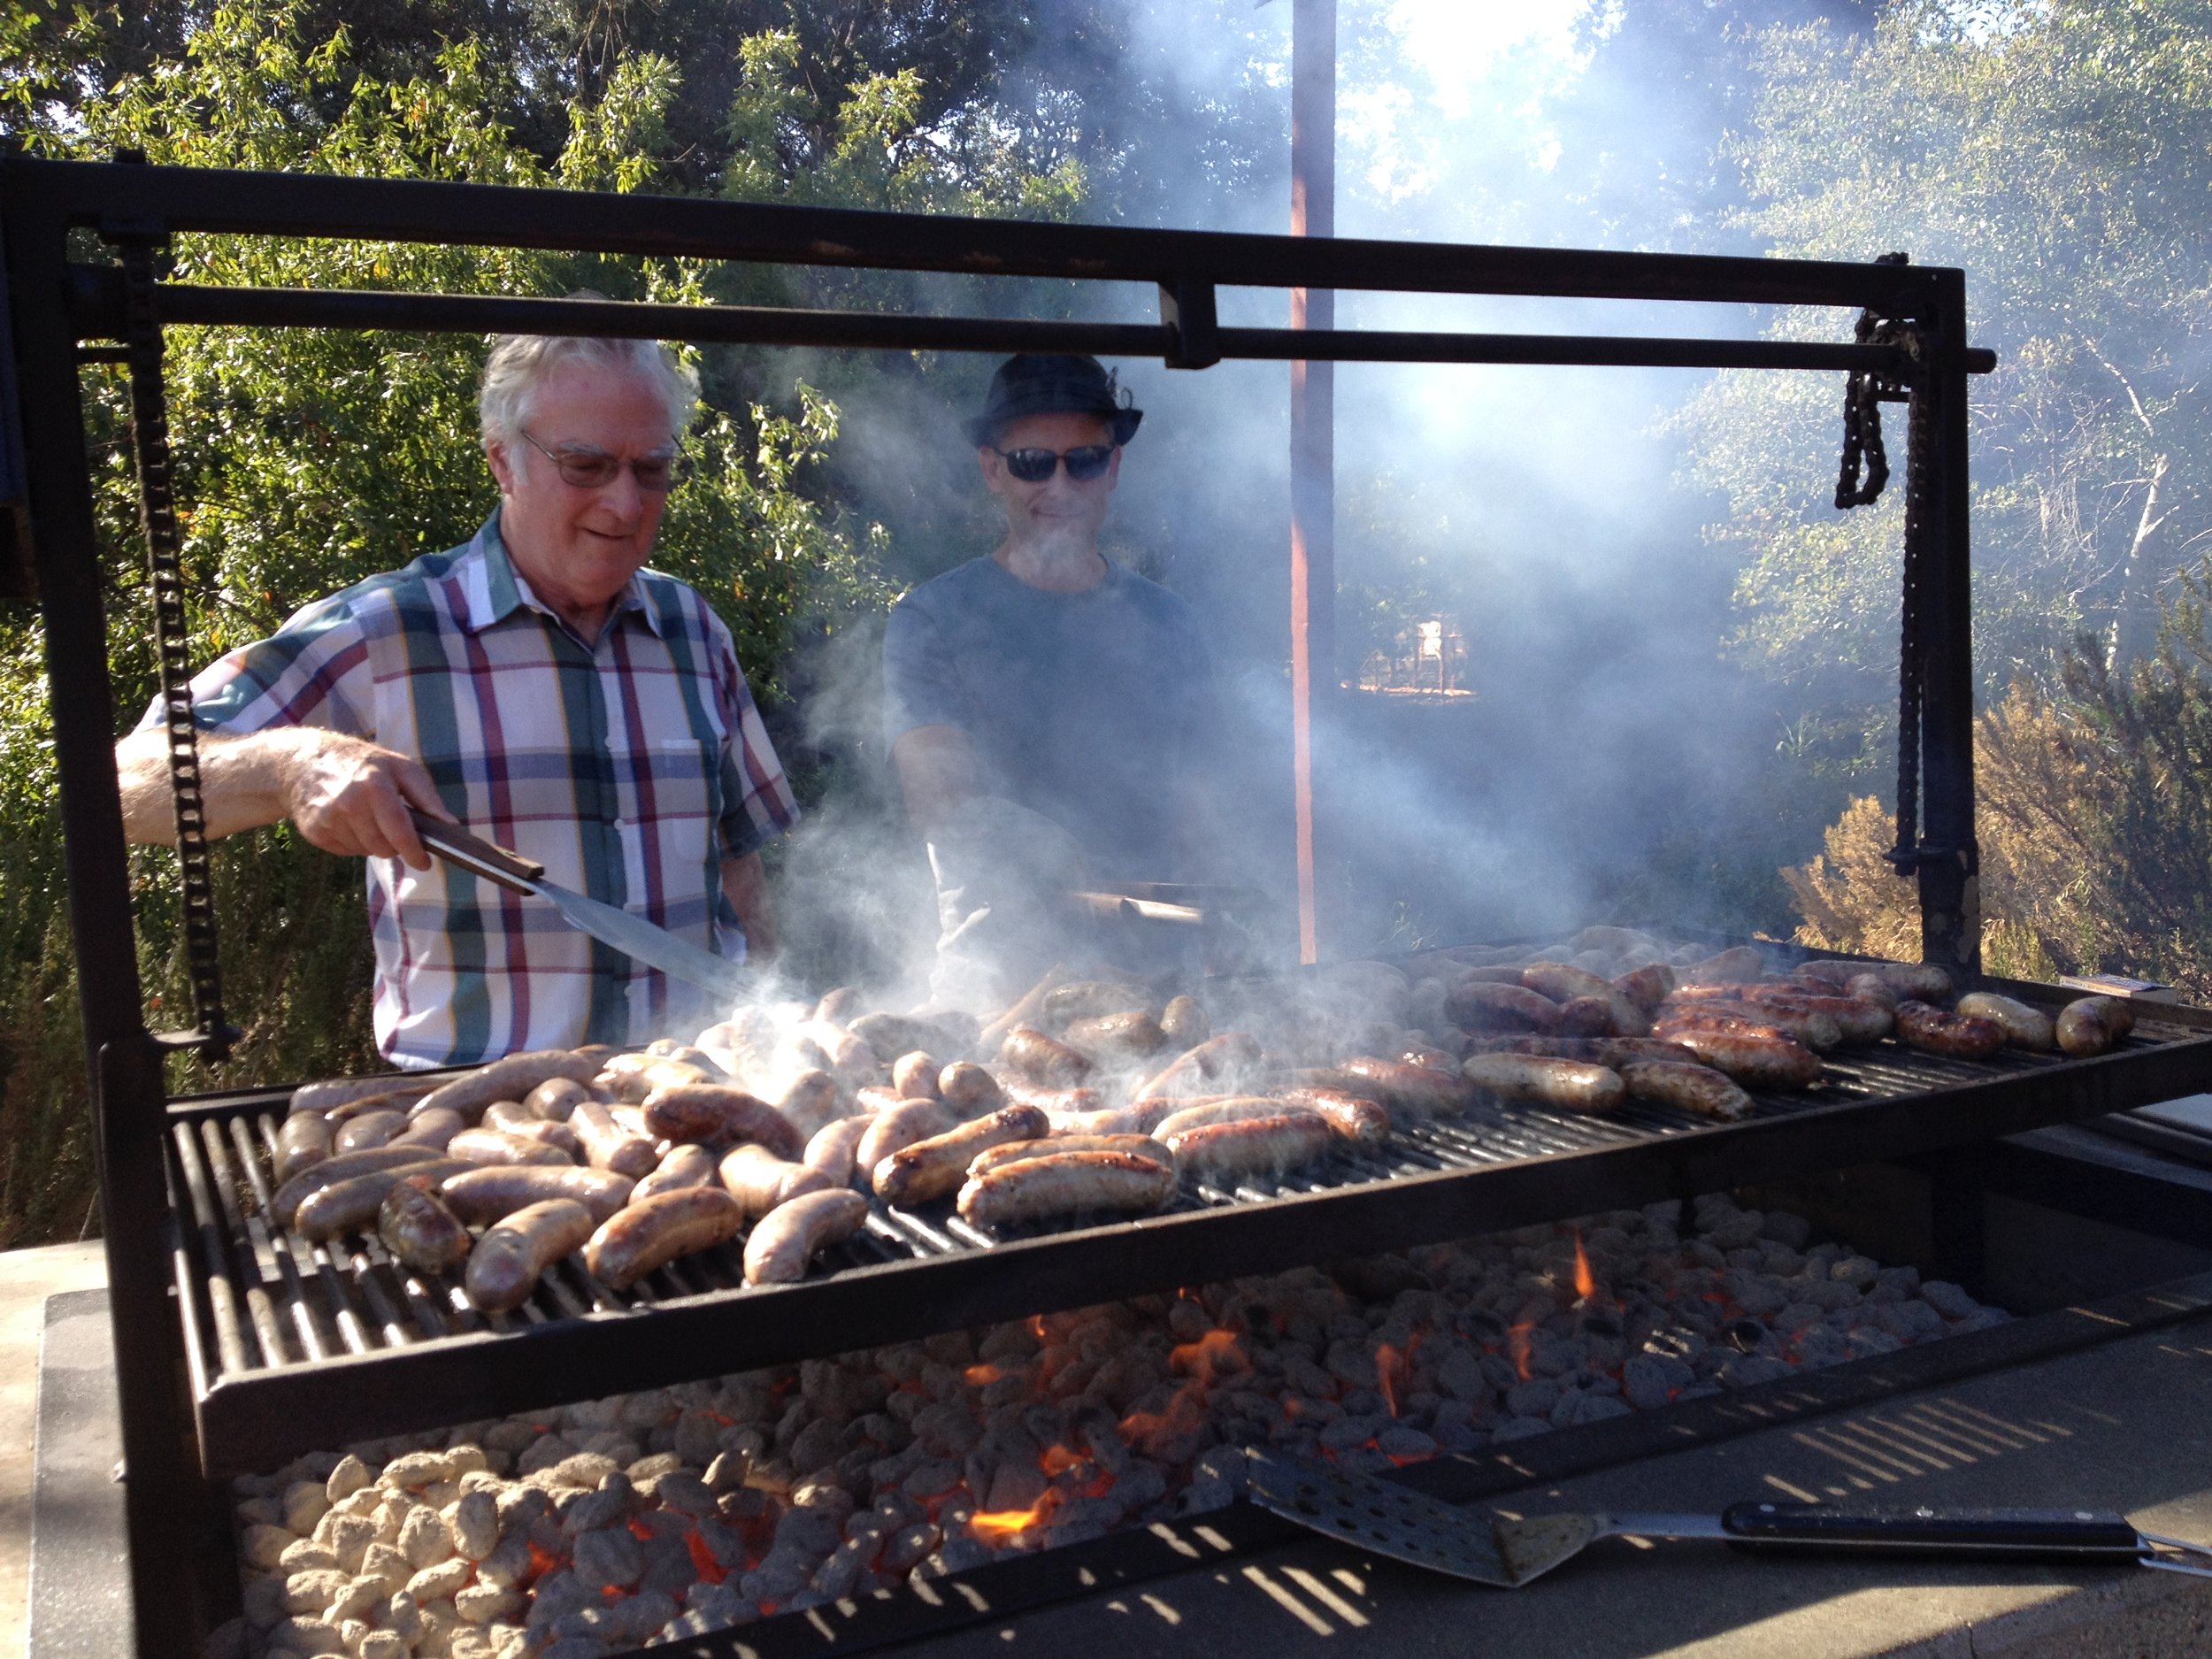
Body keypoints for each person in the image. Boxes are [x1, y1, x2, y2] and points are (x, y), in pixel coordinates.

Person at [113, 327, 797, 1066]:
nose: (625, 503)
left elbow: (739, 863)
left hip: (697, 1116)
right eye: (586, 465)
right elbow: (125, 784)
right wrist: (294, 764)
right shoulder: (386, 630)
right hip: (475, 1129)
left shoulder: (695, 632)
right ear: (504, 459)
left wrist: (775, 1028)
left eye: (652, 468)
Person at [881, 353, 1217, 1002]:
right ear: (992, 470)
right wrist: (1060, 856)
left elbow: (1201, 815)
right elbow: (940, 797)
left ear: (1114, 466)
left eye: (1084, 460)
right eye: (1033, 462)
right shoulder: (931, 619)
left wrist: (1217, 935)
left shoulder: (1169, 623)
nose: (1059, 487)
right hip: (994, 988)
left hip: (1154, 984)